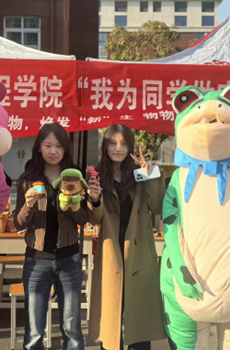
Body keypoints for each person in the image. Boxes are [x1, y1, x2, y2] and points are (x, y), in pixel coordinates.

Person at [87, 124, 165, 350]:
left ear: (130, 146)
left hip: (138, 252)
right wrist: (94, 199)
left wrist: (152, 176)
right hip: (111, 251)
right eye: (112, 143)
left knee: (138, 321)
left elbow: (157, 206)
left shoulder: (141, 173)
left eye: (123, 143)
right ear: (105, 146)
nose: (118, 148)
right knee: (111, 321)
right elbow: (94, 219)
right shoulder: (97, 175)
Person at [13, 123, 87, 350]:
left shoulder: (74, 177)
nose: (53, 151)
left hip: (69, 259)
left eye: (59, 146)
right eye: (48, 145)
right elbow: (18, 224)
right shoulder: (28, 179)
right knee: (34, 331)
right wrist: (28, 205)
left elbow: (84, 219)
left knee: (72, 329)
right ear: (39, 147)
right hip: (37, 260)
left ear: (66, 149)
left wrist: (74, 206)